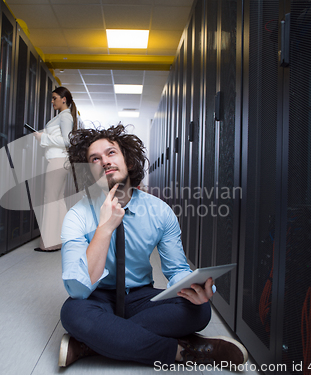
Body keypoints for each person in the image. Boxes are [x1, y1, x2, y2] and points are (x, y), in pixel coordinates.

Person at [58, 124, 248, 368]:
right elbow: (78, 289)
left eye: (111, 153)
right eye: (95, 159)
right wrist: (104, 228)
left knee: (198, 310)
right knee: (73, 313)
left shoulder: (159, 211)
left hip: (140, 297)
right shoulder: (77, 215)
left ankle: (90, 344)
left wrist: (194, 286)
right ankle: (185, 350)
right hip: (98, 297)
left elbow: (176, 269)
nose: (104, 161)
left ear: (129, 160)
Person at [33, 86, 79, 252]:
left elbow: (67, 142)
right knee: (57, 200)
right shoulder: (62, 116)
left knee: (50, 199)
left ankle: (50, 244)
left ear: (63, 99)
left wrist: (42, 137)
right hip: (59, 160)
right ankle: (62, 239)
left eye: (54, 98)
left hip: (58, 160)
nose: (52, 101)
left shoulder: (65, 117)